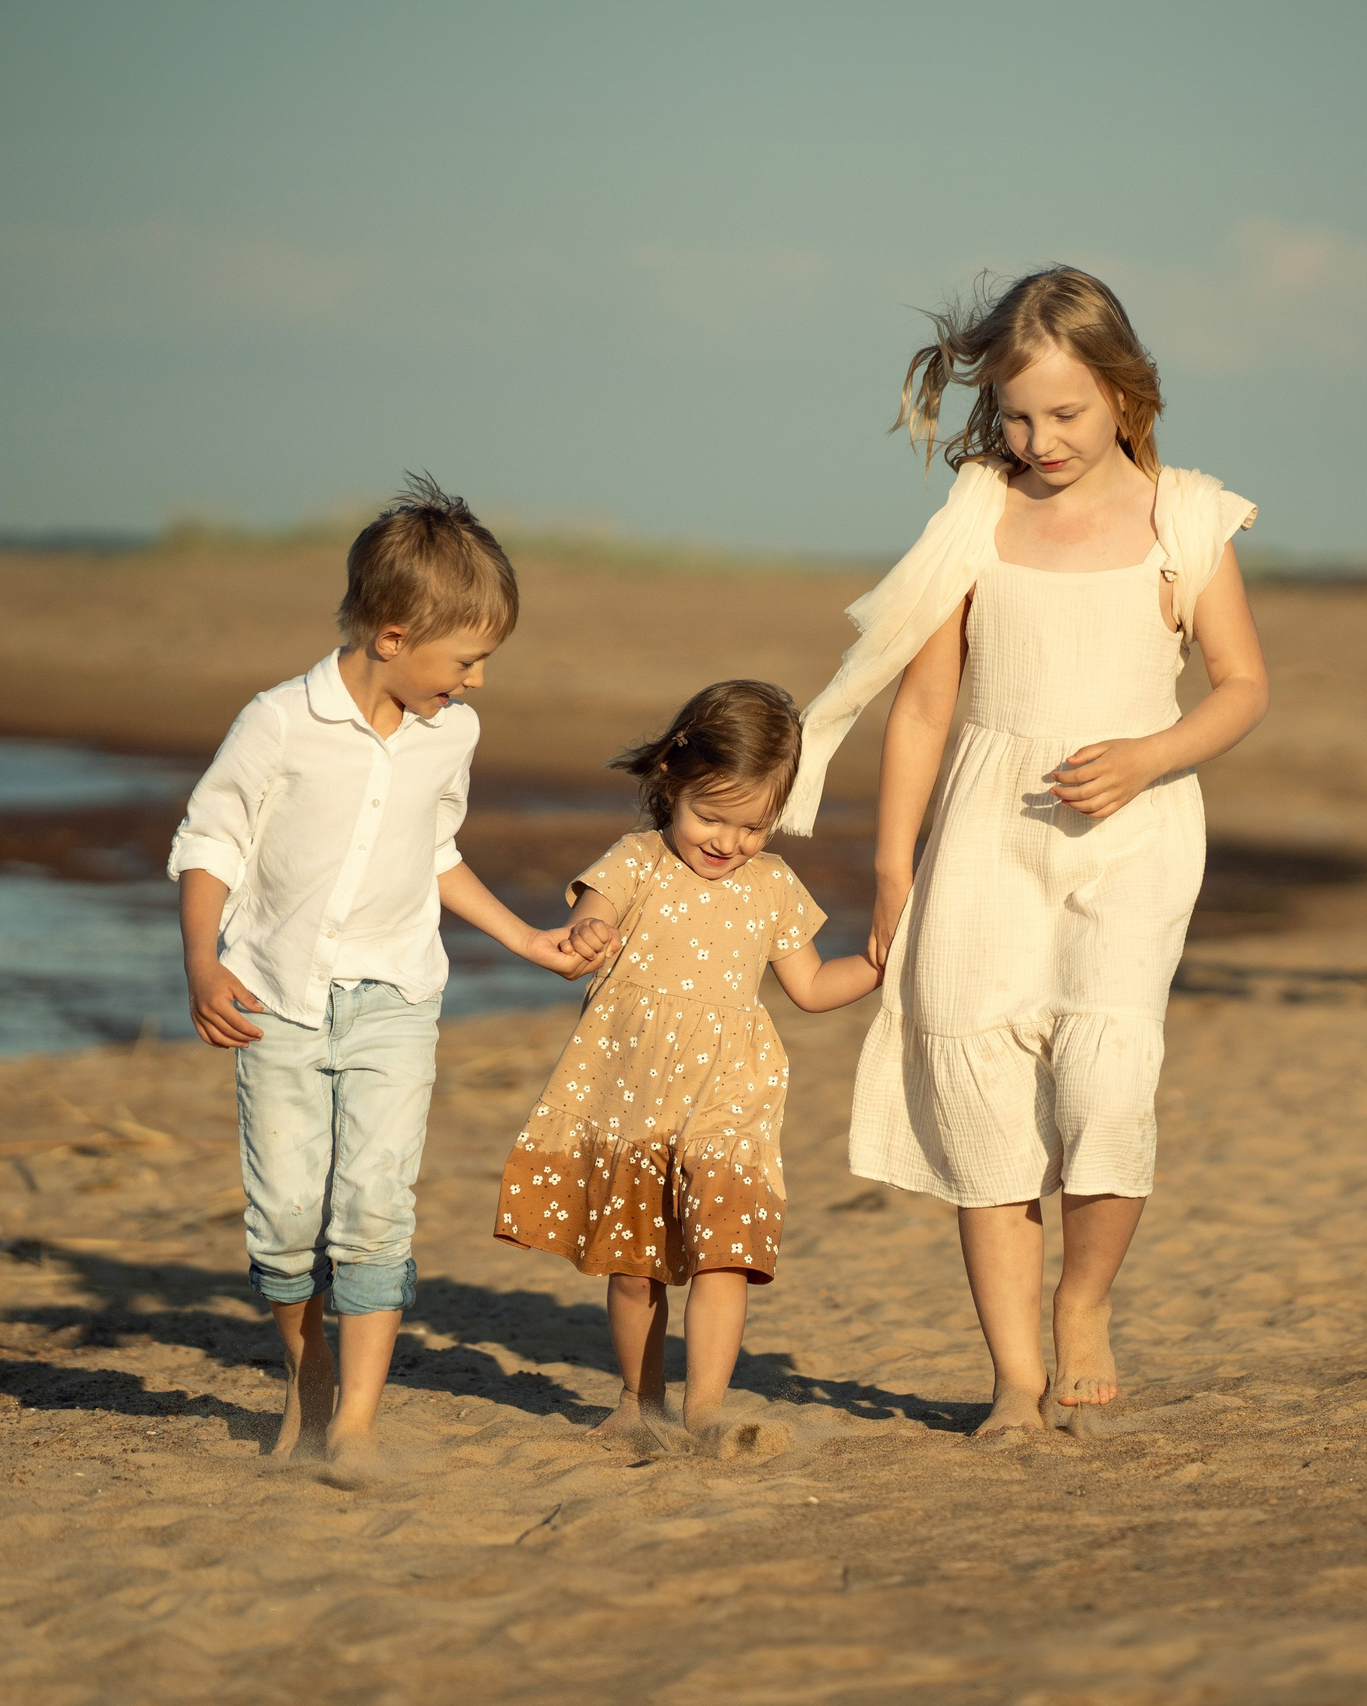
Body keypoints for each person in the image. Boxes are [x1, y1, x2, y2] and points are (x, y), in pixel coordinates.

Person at [776, 266, 1270, 1436]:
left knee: (1104, 1080)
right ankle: (1011, 1377)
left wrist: (1151, 755)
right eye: (1014, 414)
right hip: (987, 824)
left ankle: (1083, 1300)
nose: (1038, 439)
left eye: (1066, 413)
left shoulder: (1186, 516)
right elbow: (919, 709)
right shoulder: (976, 519)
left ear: (1123, 395)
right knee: (981, 1090)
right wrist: (893, 870)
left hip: (1134, 829)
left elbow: (1243, 687)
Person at [169, 474, 590, 1471]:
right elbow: (210, 840)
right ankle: (308, 1374)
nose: (477, 681)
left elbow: (434, 850)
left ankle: (354, 1423)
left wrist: (527, 939)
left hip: (397, 998)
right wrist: (199, 960)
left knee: (372, 1210)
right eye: (468, 659)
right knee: (283, 1227)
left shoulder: (456, 732)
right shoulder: (278, 721)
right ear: (393, 635)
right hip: (274, 1000)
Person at [493, 681, 881, 1442]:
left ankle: (705, 1412)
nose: (727, 842)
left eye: (753, 827)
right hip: (632, 1095)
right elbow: (586, 921)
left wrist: (881, 962)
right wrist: (588, 936)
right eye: (711, 816)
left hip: (732, 1096)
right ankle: (640, 1404)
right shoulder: (635, 861)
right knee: (633, 1268)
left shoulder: (772, 884)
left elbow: (810, 985)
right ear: (671, 777)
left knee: (724, 1252)